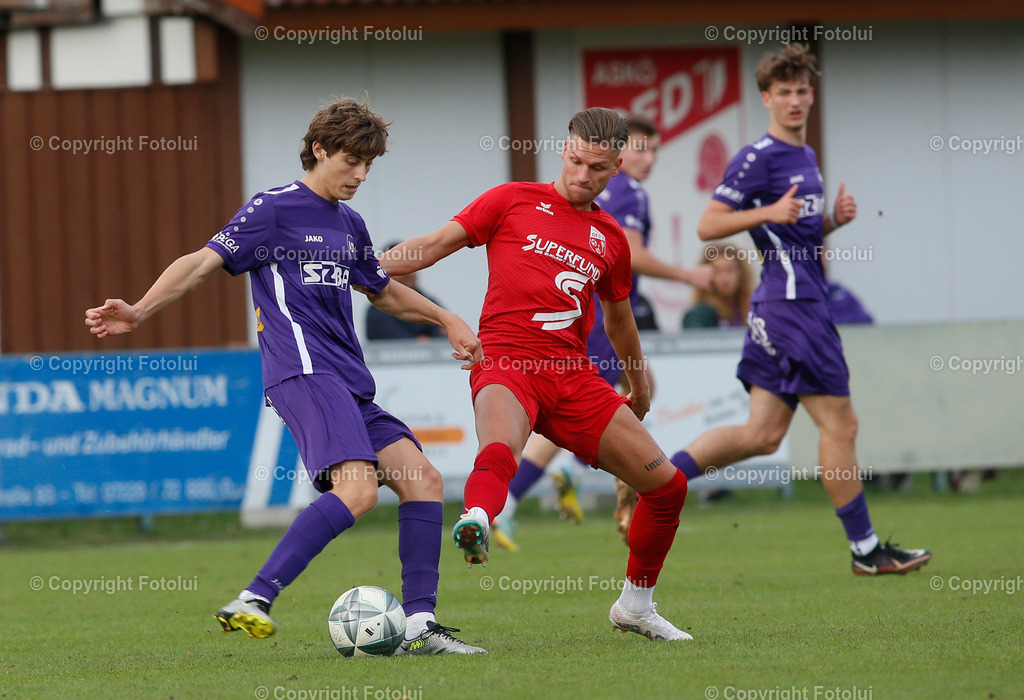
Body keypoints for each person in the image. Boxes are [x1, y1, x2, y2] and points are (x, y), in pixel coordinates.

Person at [84, 98, 487, 654]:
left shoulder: (350, 222)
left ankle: (420, 624)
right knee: (360, 489)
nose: (361, 174)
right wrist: (139, 310)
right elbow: (201, 263)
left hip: (348, 377)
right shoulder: (272, 209)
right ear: (319, 149)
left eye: (370, 164)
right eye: (351, 160)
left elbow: (382, 290)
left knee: (423, 481)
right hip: (300, 370)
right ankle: (253, 597)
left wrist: (446, 317)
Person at [383, 107, 692, 641]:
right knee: (500, 448)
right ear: (564, 149)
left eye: (596, 168)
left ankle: (636, 605)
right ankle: (478, 518)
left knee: (666, 487)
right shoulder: (510, 200)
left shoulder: (611, 238)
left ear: (617, 166)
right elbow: (431, 247)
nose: (581, 175)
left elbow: (621, 323)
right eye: (574, 160)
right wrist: (362, 266)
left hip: (573, 376)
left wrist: (639, 385)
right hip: (505, 359)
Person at [626, 44, 931, 576]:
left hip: (784, 305)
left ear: (812, 95)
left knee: (761, 435)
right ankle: (866, 551)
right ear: (766, 97)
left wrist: (830, 221)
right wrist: (767, 209)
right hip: (794, 310)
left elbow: (793, 232)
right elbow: (709, 224)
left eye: (802, 90)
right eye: (784, 92)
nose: (794, 100)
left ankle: (650, 475)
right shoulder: (758, 156)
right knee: (841, 422)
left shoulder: (806, 158)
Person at [489, 116, 714, 552]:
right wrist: (688, 275)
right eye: (640, 149)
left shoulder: (618, 191)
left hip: (587, 314)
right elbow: (632, 253)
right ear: (618, 156)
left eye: (653, 150)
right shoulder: (624, 192)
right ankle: (567, 482)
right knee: (601, 402)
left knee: (596, 401)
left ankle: (546, 482)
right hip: (583, 317)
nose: (646, 159)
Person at [365, 241, 446, 341]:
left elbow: (445, 335)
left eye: (412, 265)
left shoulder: (430, 302)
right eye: (401, 267)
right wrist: (420, 342)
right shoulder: (377, 309)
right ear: (384, 271)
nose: (408, 273)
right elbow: (395, 343)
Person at [682, 242, 754, 329]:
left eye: (730, 270)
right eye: (717, 271)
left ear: (741, 273)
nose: (724, 277)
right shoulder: (700, 314)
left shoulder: (752, 310)